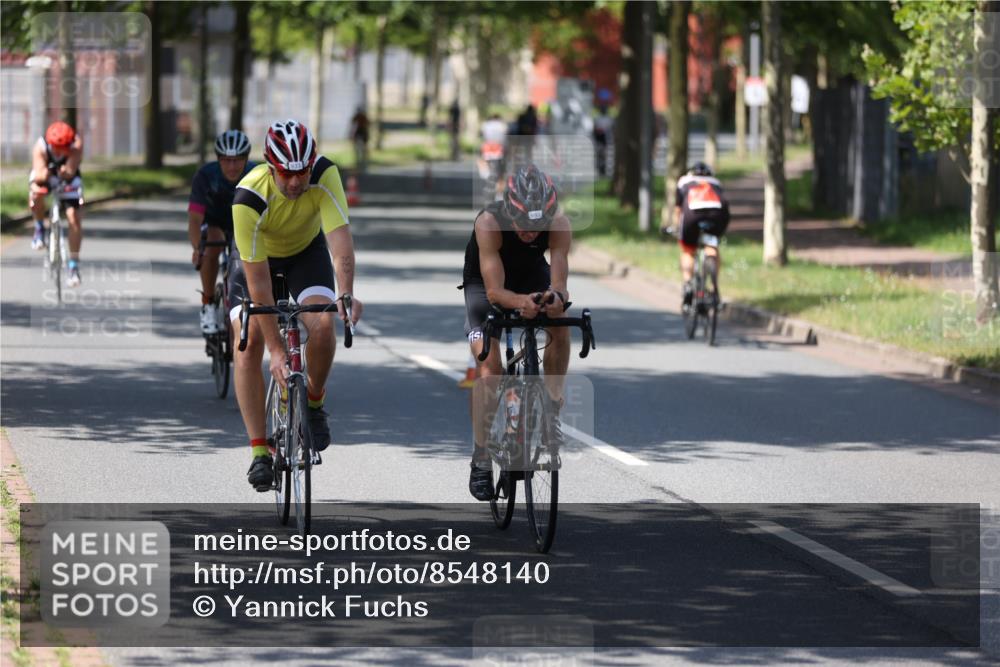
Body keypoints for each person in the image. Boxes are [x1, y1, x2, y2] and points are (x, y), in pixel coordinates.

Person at [230, 119, 363, 491]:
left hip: (306, 253)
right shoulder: (248, 197)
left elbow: (339, 242)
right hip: (260, 265)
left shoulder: (325, 174)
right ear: (271, 167)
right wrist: (276, 351)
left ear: (312, 163)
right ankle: (259, 450)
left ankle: (315, 405)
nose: (294, 182)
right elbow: (257, 281)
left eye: (301, 172)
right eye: (286, 174)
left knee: (322, 324)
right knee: (248, 342)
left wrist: (347, 293)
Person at [461, 165, 572, 501]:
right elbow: (495, 293)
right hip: (484, 284)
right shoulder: (489, 223)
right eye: (522, 222)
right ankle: (481, 456)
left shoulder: (559, 224)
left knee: (560, 325)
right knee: (490, 369)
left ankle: (551, 405)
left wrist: (555, 299)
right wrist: (522, 302)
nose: (529, 230)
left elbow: (561, 285)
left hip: (530, 275)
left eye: (537, 224)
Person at [188, 130, 256, 335]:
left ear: (246, 159)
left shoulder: (256, 174)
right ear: (218, 159)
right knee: (211, 245)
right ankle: (208, 303)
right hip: (215, 221)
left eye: (238, 160)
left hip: (243, 222)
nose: (232, 166)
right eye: (227, 160)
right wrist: (197, 247)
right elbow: (194, 217)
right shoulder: (205, 176)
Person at [29, 121, 85, 286]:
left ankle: (73, 265)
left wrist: (65, 173)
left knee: (73, 217)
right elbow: (39, 174)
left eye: (64, 148)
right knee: (36, 193)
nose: (61, 151)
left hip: (69, 179)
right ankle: (39, 228)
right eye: (57, 148)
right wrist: (44, 175)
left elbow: (70, 171)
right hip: (46, 174)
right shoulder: (41, 147)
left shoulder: (76, 145)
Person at [670, 162, 730, 309]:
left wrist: (676, 227)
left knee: (688, 250)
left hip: (692, 215)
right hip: (716, 216)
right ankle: (714, 286)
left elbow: (678, 209)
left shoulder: (684, 181)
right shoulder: (716, 183)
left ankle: (688, 285)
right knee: (711, 246)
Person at [478, 113, 508, 201]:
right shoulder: (502, 125)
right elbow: (505, 138)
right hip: (499, 151)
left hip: (487, 151)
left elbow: (482, 136)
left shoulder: (485, 125)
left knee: (486, 169)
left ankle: (488, 184)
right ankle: (499, 194)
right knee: (501, 175)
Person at [349, 107, 370, 172]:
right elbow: (353, 127)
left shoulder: (363, 118)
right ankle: (359, 163)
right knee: (358, 151)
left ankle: (362, 163)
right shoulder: (356, 118)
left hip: (362, 136)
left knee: (362, 151)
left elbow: (367, 126)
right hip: (359, 136)